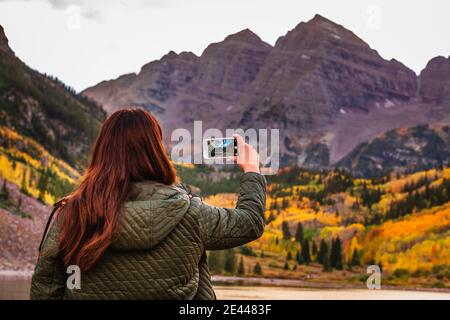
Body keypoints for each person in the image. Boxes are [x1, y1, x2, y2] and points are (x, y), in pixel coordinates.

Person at [30, 108, 266, 300]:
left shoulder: (73, 214)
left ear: (102, 152)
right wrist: (252, 168)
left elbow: (46, 289)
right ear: (156, 151)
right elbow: (250, 222)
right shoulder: (190, 213)